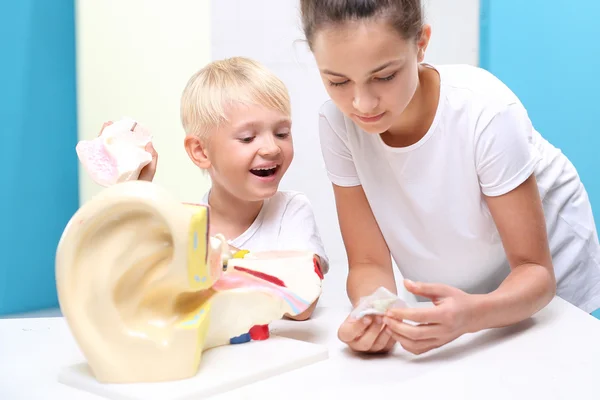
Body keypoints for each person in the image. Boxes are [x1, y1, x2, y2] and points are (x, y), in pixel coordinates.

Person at [299, 0, 600, 355]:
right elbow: (368, 263)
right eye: (337, 81)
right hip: (459, 271)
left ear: (421, 43)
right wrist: (375, 312)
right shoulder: (336, 123)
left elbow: (536, 273)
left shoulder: (486, 112)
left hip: (540, 270)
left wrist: (472, 316)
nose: (362, 104)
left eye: (384, 76)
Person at [98, 56, 329, 320]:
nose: (272, 148)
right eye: (248, 137)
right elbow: (140, 292)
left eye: (282, 133)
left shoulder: (290, 212)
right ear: (200, 151)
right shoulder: (185, 228)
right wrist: (134, 191)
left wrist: (211, 272)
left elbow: (302, 302)